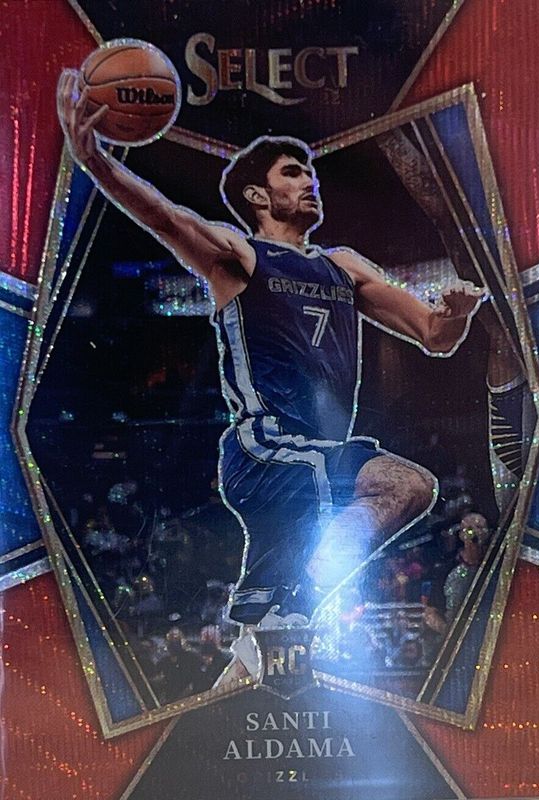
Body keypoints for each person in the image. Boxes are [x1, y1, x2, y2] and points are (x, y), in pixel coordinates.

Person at [57, 70, 484, 683]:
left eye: (311, 173)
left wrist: (457, 313)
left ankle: (253, 651)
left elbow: (435, 337)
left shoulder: (344, 266)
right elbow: (167, 218)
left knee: (267, 659)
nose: (310, 181)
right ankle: (301, 599)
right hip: (265, 449)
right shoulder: (241, 257)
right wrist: (96, 161)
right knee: (407, 485)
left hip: (317, 454)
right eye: (292, 173)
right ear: (259, 195)